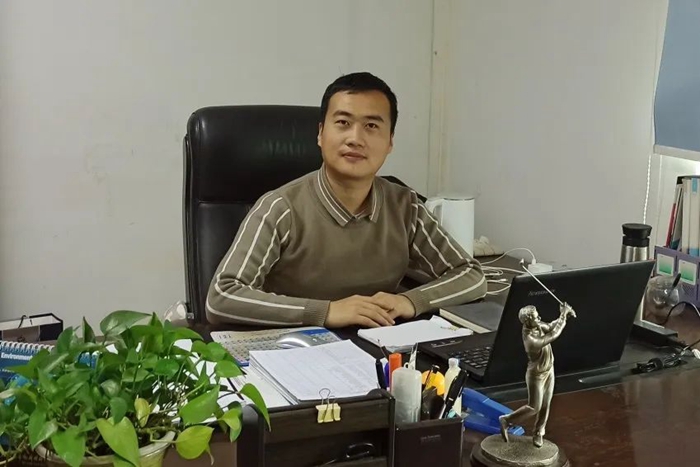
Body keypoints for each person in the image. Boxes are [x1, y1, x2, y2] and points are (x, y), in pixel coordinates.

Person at [206, 71, 486, 328]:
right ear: (320, 133)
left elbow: (471, 275)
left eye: (371, 126)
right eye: (343, 123)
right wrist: (326, 311)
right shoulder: (280, 208)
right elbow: (222, 296)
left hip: (377, 345)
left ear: (390, 141)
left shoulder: (406, 207)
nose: (355, 138)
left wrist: (409, 301)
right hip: (293, 349)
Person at [499, 303, 576, 448]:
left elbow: (551, 326)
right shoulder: (530, 340)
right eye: (536, 317)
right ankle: (507, 420)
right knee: (534, 407)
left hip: (549, 369)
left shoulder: (536, 325)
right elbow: (553, 335)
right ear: (527, 321)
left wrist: (563, 315)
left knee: (546, 403)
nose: (539, 318)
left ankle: (539, 432)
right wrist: (563, 315)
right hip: (536, 375)